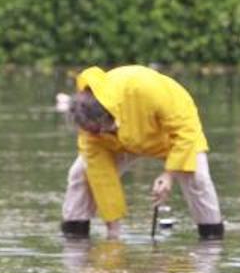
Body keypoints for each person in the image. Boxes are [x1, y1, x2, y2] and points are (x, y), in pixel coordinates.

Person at [61, 65, 224, 241]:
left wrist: (169, 175)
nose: (94, 135)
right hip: (121, 143)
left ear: (106, 116)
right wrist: (113, 231)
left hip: (168, 136)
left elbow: (186, 133)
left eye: (97, 130)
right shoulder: (90, 132)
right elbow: (102, 177)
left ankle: (211, 237)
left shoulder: (148, 89)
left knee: (198, 177)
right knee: (80, 174)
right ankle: (74, 238)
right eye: (90, 131)